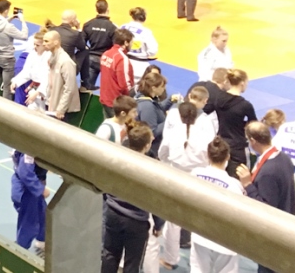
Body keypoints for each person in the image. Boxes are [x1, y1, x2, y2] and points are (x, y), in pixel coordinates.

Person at [158, 101, 215, 269]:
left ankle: (170, 258)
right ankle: (199, 265)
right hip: (198, 178)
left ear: (180, 116)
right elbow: (210, 157)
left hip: (176, 176)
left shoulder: (173, 132)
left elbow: (162, 154)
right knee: (197, 221)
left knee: (173, 222)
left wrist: (173, 162)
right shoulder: (204, 134)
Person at [101, 121, 163, 273]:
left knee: (109, 254)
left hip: (113, 213)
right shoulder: (152, 169)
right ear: (147, 146)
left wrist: (108, 202)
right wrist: (158, 223)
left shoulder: (117, 159)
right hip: (136, 221)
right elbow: (156, 199)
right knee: (132, 263)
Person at [238, 122, 295, 273]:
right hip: (285, 226)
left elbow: (265, 208)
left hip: (272, 235)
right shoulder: (283, 158)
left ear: (253, 141)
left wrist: (248, 185)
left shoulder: (268, 172)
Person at [190, 138, 244, 273]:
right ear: (228, 157)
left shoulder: (195, 174)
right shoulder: (234, 185)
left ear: (207, 155)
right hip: (225, 239)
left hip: (200, 233)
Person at [211, 70, 258, 176]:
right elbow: (253, 125)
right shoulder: (245, 105)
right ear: (242, 83)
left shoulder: (218, 99)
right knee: (240, 176)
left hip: (221, 142)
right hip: (238, 146)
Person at [31, 30, 80, 121]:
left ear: (56, 42)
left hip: (59, 111)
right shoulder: (51, 57)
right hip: (50, 103)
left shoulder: (66, 62)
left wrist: (61, 109)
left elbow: (70, 88)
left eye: (46, 41)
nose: (44, 43)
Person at [0, 0, 28, 99]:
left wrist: (9, 18)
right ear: (6, 11)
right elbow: (24, 36)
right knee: (7, 88)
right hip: (7, 60)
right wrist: (23, 22)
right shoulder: (8, 27)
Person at [11, 151, 49, 254]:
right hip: (26, 189)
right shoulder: (31, 148)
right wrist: (40, 189)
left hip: (32, 186)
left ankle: (42, 240)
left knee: (44, 215)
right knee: (30, 222)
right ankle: (21, 250)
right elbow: (25, 173)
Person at [99, 28, 136, 117]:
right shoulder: (122, 59)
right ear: (126, 43)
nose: (131, 45)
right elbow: (125, 85)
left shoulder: (106, 53)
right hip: (117, 103)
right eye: (131, 42)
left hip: (105, 98)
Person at [11, 32, 51, 110]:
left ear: (44, 45)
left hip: (44, 91)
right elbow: (27, 71)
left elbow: (48, 78)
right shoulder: (32, 54)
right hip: (34, 89)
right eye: (34, 44)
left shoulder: (50, 57)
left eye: (37, 45)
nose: (35, 47)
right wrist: (15, 81)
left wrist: (38, 92)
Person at [82, 0, 116, 91]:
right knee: (108, 90)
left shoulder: (88, 24)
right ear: (107, 9)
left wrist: (88, 50)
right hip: (106, 60)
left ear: (96, 9)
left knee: (86, 89)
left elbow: (81, 43)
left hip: (91, 58)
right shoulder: (112, 27)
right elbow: (115, 47)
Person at [135, 71, 170, 156]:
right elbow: (152, 131)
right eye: (162, 86)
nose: (164, 89)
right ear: (154, 88)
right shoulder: (147, 106)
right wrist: (169, 120)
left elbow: (157, 109)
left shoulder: (143, 97)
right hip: (151, 150)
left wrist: (170, 101)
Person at [53, 9, 87, 85]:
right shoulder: (75, 34)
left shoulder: (52, 30)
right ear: (73, 20)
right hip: (67, 67)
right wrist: (78, 28)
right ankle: (85, 82)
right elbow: (82, 46)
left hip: (52, 63)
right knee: (86, 50)